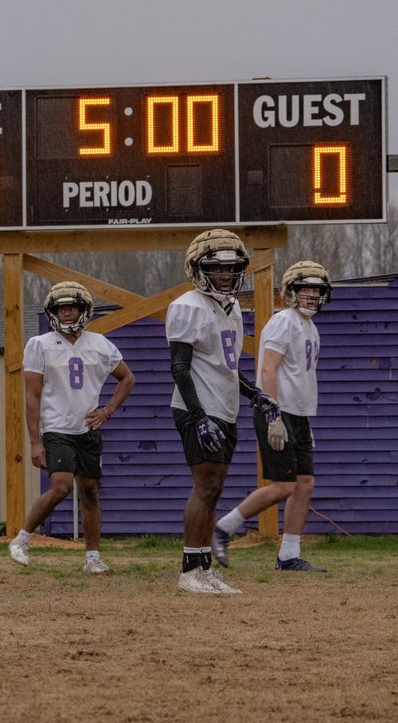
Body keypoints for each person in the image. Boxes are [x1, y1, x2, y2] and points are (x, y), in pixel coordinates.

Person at [167, 229, 280, 594]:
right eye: (217, 269)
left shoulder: (229, 309)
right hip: (198, 407)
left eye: (232, 270)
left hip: (224, 405)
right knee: (205, 487)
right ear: (198, 269)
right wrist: (199, 416)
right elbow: (180, 368)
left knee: (215, 489)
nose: (226, 276)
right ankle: (189, 570)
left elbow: (227, 367)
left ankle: (204, 566)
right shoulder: (187, 306)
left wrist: (254, 394)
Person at [8, 281, 135, 573]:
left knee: (90, 492)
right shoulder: (39, 345)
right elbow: (32, 396)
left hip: (87, 429)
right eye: (61, 308)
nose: (67, 313)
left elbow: (128, 378)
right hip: (56, 428)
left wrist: (108, 410)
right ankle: (22, 538)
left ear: (84, 310)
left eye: (72, 307)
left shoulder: (100, 344)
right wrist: (35, 441)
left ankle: (92, 558)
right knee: (61, 486)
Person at [213, 261, 331, 572]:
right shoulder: (284, 322)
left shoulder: (310, 327)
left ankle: (288, 554)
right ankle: (224, 527)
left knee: (304, 483)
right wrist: (272, 413)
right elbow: (268, 369)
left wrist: (303, 418)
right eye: (306, 289)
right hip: (278, 410)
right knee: (283, 485)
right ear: (291, 292)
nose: (312, 295)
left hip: (299, 413)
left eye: (317, 290)